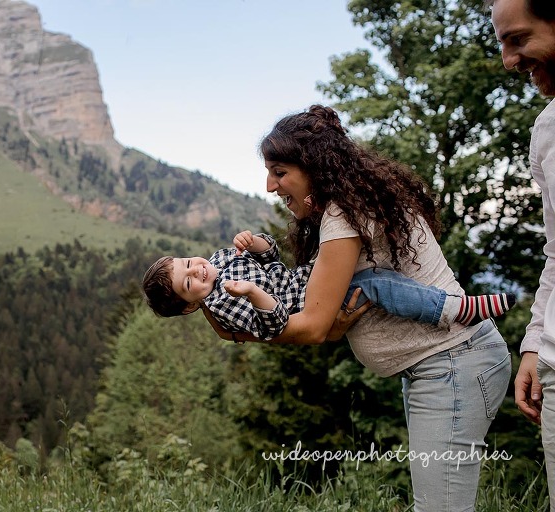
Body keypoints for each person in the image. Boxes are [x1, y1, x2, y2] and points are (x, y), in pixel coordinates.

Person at [203, 105, 512, 511]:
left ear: (312, 167)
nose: (269, 186)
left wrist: (240, 331)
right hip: (440, 366)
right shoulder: (339, 210)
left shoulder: (343, 215)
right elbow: (327, 321)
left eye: (279, 172)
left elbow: (313, 327)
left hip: (452, 362)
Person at [143, 230, 516, 341]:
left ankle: (438, 297)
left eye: (189, 264)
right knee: (373, 285)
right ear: (191, 305)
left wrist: (253, 242)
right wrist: (255, 295)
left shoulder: (220, 258)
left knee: (369, 264)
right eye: (189, 284)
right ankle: (454, 309)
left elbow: (272, 256)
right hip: (308, 299)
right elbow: (274, 328)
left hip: (306, 274)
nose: (198, 271)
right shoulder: (225, 306)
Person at [487, 0, 555, 506]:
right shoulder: (547, 132)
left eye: (519, 39)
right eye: (503, 43)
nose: (510, 61)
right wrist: (534, 343)